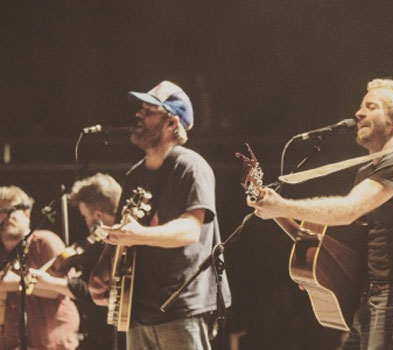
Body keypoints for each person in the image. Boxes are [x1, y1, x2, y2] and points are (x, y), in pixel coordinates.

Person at [248, 78, 393, 350]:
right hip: (374, 296)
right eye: (361, 107)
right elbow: (337, 240)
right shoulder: (367, 171)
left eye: (371, 107)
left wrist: (281, 206)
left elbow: (347, 210)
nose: (358, 113)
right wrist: (275, 212)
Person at [88, 81, 231, 350]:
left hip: (180, 308)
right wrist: (104, 267)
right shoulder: (134, 175)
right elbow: (124, 233)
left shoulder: (191, 166)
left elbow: (191, 230)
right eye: (140, 110)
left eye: (149, 111)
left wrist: (139, 235)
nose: (138, 116)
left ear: (171, 123)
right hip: (137, 309)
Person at [31, 173, 122, 350]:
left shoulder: (111, 248)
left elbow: (89, 289)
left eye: (84, 216)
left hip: (111, 337)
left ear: (98, 216)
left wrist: (49, 282)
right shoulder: (100, 245)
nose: (86, 222)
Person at [0, 186, 80, 350]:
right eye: (1, 210)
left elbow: (63, 288)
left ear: (27, 213)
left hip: (52, 344)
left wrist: (16, 283)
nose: (6, 216)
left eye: (12, 210)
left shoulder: (44, 241)